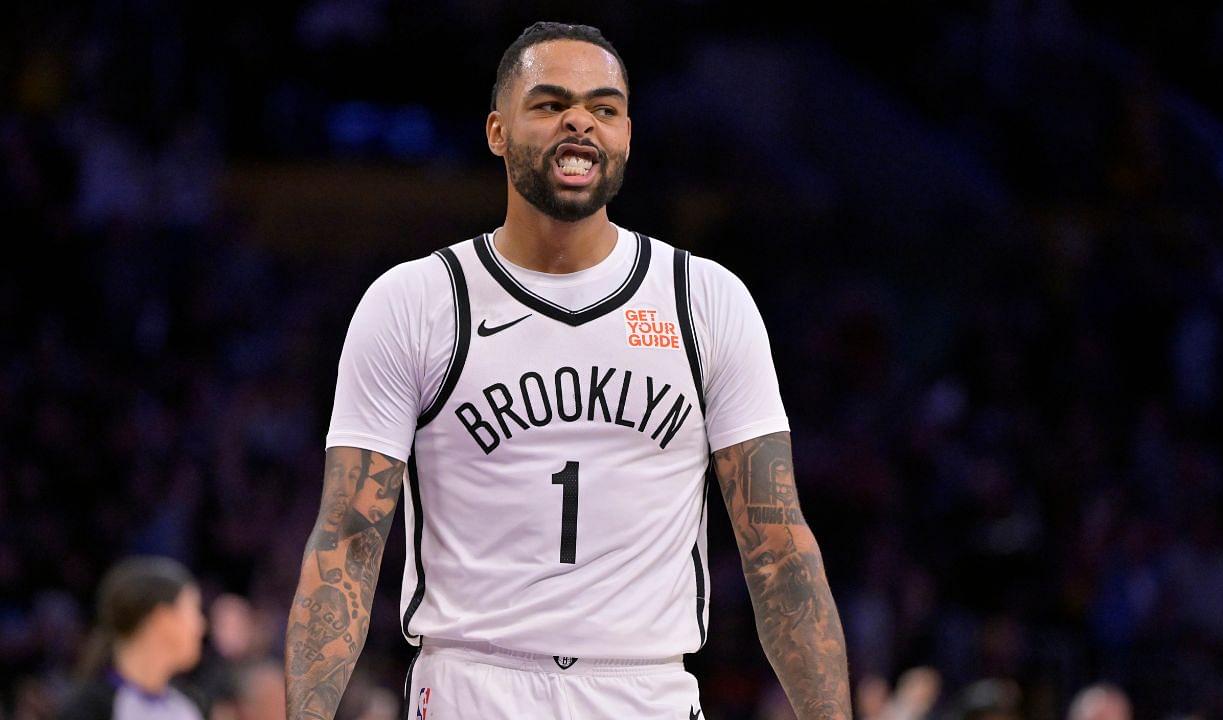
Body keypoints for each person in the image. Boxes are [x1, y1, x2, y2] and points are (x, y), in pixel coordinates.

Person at [284, 20, 852, 720]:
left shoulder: (705, 299)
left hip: (648, 688)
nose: (580, 120)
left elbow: (779, 547)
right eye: (550, 104)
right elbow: (346, 540)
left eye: (604, 108)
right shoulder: (416, 301)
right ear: (497, 131)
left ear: (627, 136)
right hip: (472, 683)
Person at [58, 556, 207, 720]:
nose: (201, 626)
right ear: (162, 619)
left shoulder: (190, 704)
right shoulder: (88, 708)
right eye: (193, 611)